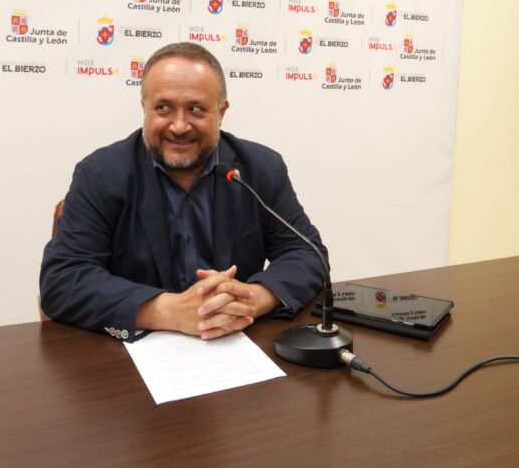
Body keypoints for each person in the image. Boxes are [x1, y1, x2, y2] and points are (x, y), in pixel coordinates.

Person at [40, 42, 327, 341]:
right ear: (144, 108)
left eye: (196, 109)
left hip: (233, 347)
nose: (179, 126)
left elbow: (306, 252)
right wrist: (168, 310)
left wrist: (251, 299)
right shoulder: (100, 174)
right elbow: (63, 280)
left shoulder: (260, 169)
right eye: (163, 107)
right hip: (130, 359)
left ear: (221, 112)